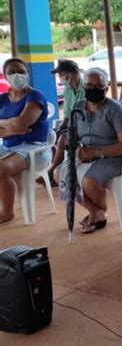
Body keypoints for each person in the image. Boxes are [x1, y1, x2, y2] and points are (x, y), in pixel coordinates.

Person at [58, 67, 122, 234]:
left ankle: (100, 213)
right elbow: (72, 132)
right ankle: (95, 212)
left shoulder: (115, 109)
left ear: (106, 89)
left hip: (113, 155)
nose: (93, 89)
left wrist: (97, 152)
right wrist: (73, 144)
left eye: (98, 86)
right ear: (84, 87)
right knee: (60, 174)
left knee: (89, 181)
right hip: (86, 154)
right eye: (89, 85)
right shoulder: (78, 106)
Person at [0, 57, 51, 223]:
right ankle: (7, 210)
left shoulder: (35, 97)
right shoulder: (2, 99)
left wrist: (12, 127)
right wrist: (12, 127)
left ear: (28, 73)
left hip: (34, 149)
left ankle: (7, 213)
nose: (17, 75)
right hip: (8, 148)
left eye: (21, 71)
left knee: (1, 169)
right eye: (11, 72)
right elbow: (16, 127)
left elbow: (22, 123)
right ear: (5, 76)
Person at [47, 59, 85, 182]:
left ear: (70, 74)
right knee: (52, 136)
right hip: (73, 126)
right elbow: (68, 114)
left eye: (61, 74)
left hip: (86, 126)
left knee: (63, 139)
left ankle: (51, 172)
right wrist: (59, 130)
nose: (60, 78)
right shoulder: (68, 90)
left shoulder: (86, 88)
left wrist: (67, 131)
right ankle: (56, 172)